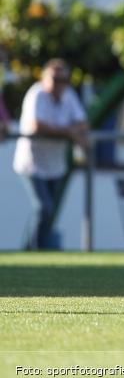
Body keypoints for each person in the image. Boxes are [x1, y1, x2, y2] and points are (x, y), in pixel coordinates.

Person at [13, 59, 89, 250]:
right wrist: (69, 132)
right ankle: (35, 252)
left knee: (47, 212)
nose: (60, 84)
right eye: (55, 79)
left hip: (55, 164)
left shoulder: (69, 95)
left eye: (64, 80)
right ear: (45, 78)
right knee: (43, 208)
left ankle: (29, 250)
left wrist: (68, 131)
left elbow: (82, 123)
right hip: (32, 163)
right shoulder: (36, 94)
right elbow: (38, 126)